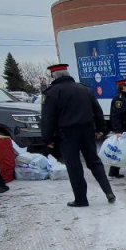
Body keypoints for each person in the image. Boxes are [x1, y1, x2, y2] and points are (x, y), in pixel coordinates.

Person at [41, 63, 115, 207]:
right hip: (87, 131)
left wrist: (47, 138)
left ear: (53, 76)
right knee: (94, 162)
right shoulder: (85, 89)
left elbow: (48, 118)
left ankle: (81, 199)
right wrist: (101, 128)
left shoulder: (52, 93)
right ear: (68, 74)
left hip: (67, 135)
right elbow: (97, 110)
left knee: (74, 166)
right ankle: (108, 192)